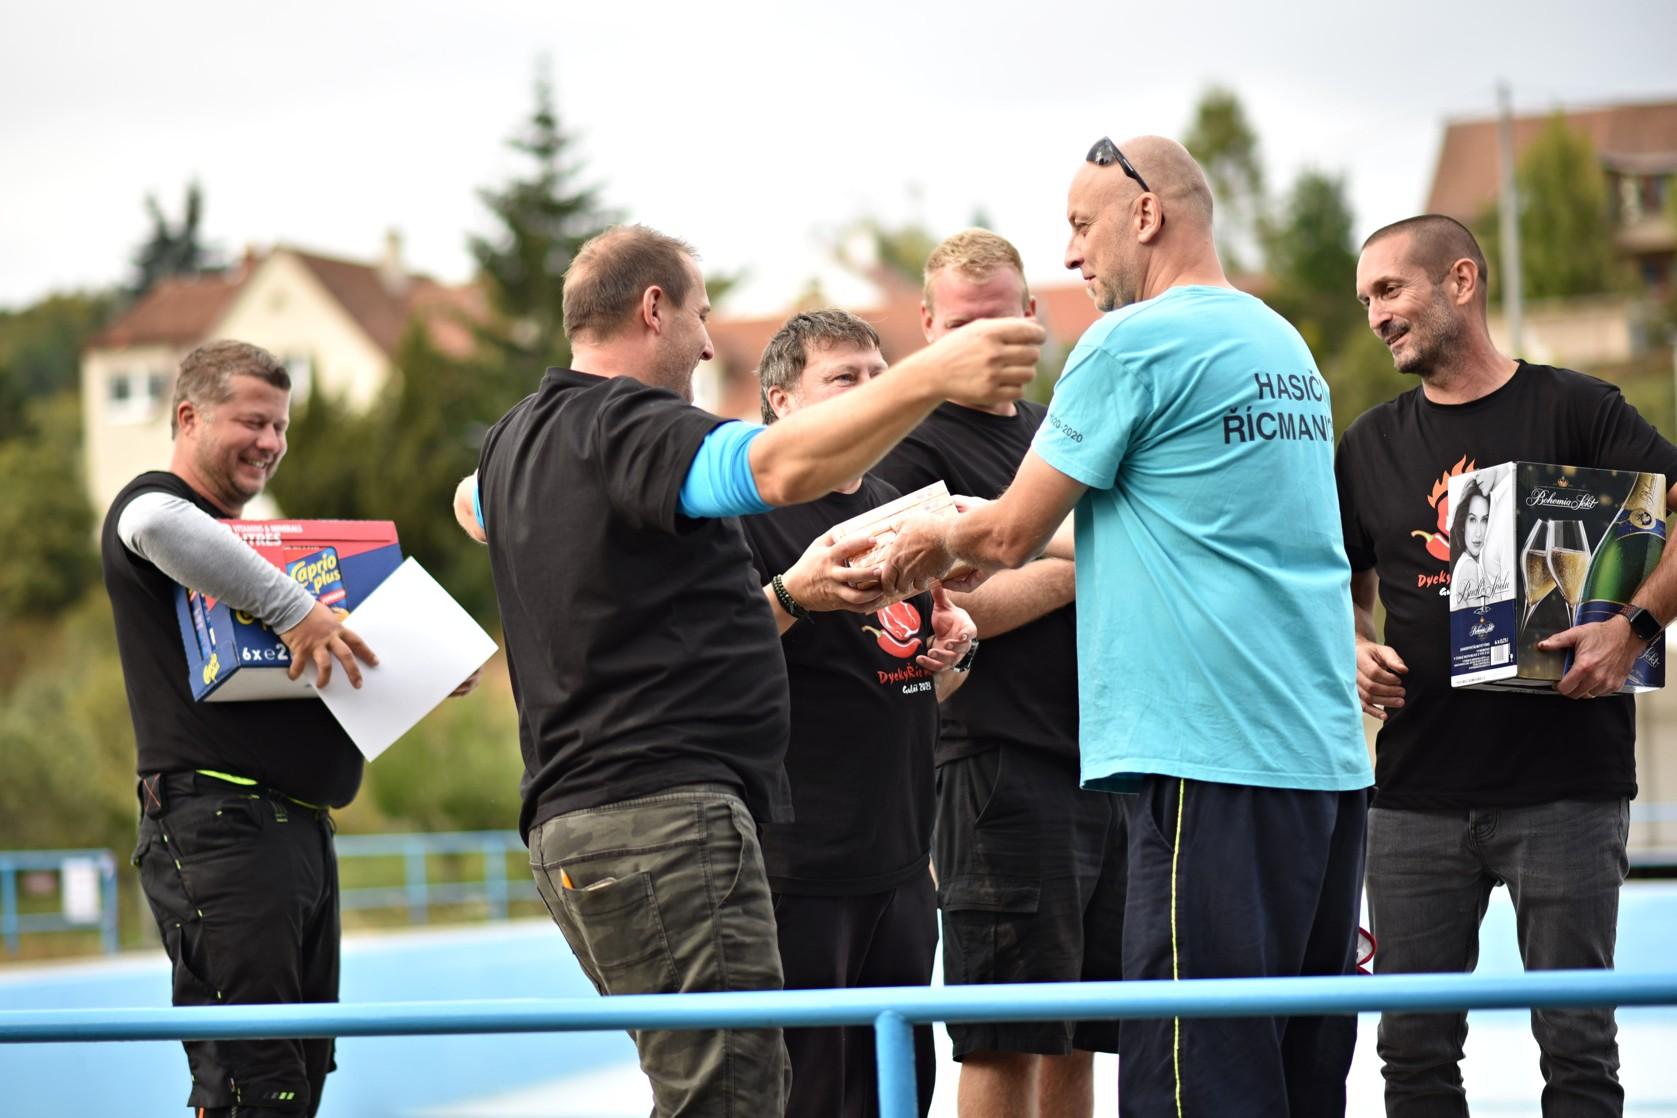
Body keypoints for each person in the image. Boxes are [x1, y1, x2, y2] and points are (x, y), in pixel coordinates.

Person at [467, 224, 1043, 1115]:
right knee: (735, 1097)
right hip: (669, 818)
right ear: (652, 308)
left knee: (728, 1088)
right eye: (700, 316)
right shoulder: (631, 424)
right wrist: (932, 375)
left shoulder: (517, 435)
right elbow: (771, 467)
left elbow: (468, 503)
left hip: (590, 816)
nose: (707, 345)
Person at [878, 136, 1374, 1116]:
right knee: (1297, 1075)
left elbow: (1009, 531)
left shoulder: (1128, 342)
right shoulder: (1282, 346)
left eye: (1078, 225)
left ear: (1145, 215)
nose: (1069, 255)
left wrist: (926, 540)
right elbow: (1194, 521)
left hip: (1208, 760)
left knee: (1195, 1081)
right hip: (1325, 764)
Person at [1338, 213, 1677, 1117]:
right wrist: (1355, 645)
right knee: (1411, 1055)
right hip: (1412, 795)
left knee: (1577, 1050)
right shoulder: (1366, 443)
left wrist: (1634, 628)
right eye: (1364, 299)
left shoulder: (1577, 408)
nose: (1375, 315)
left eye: (1389, 289)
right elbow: (1342, 581)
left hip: (1566, 789)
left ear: (1460, 281)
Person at [102, 339, 390, 1117]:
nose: (270, 442)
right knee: (255, 1087)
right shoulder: (158, 507)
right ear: (189, 417)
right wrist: (297, 611)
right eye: (253, 421)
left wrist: (419, 666)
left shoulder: (256, 554)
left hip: (299, 835)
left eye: (281, 426)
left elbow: (328, 653)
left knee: (300, 1079)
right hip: (221, 830)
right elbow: (153, 523)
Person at [871, 229, 1117, 1118]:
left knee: (1083, 1032)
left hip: (1104, 761)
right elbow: (945, 614)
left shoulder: (1062, 435)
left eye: (998, 320)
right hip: (998, 767)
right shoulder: (905, 454)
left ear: (1032, 317)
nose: (980, 340)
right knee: (1003, 1033)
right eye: (959, 325)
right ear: (927, 325)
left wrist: (1040, 554)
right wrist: (1093, 559)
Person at [746, 308, 976, 1118]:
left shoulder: (898, 507)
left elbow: (900, 679)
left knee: (898, 1093)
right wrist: (791, 595)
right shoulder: (744, 512)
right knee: (808, 1092)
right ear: (781, 402)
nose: (871, 392)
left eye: (880, 375)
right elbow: (709, 655)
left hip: (902, 857)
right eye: (844, 377)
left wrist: (955, 649)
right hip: (797, 863)